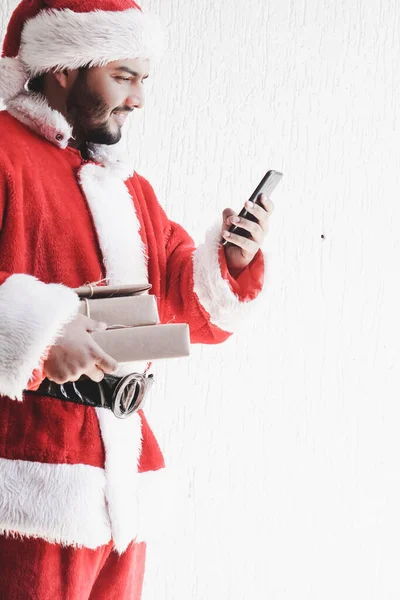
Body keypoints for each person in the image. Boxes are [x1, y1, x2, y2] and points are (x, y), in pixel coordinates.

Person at [0, 0, 274, 598]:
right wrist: (42, 333)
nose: (138, 99)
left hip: (123, 486)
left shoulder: (127, 187)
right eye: (123, 77)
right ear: (66, 67)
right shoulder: (3, 155)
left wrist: (229, 262)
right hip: (24, 489)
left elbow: (182, 300)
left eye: (143, 80)